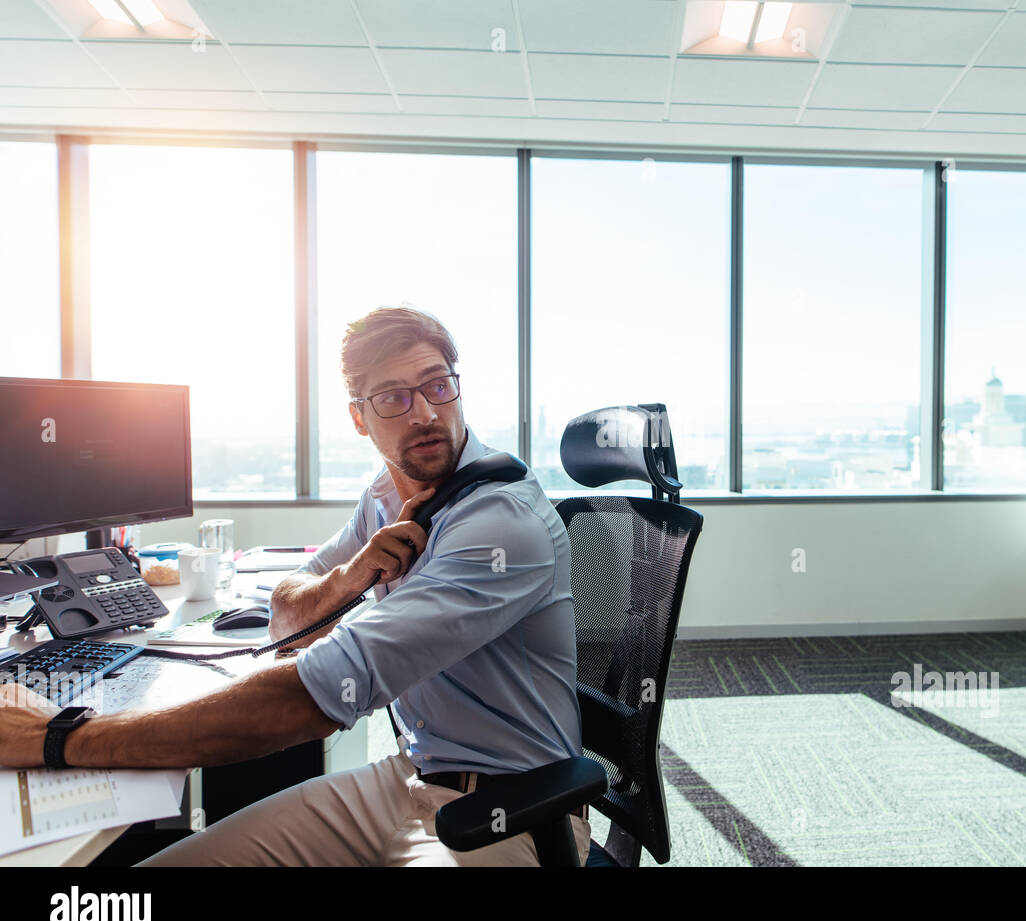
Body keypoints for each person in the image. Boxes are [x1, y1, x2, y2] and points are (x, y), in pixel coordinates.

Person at [0, 307, 589, 866]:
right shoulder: (387, 496)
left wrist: (58, 740)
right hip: (408, 775)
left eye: (437, 385)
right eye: (393, 398)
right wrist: (354, 572)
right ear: (359, 418)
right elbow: (286, 620)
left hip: (510, 806)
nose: (426, 414)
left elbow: (312, 696)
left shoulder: (501, 524)